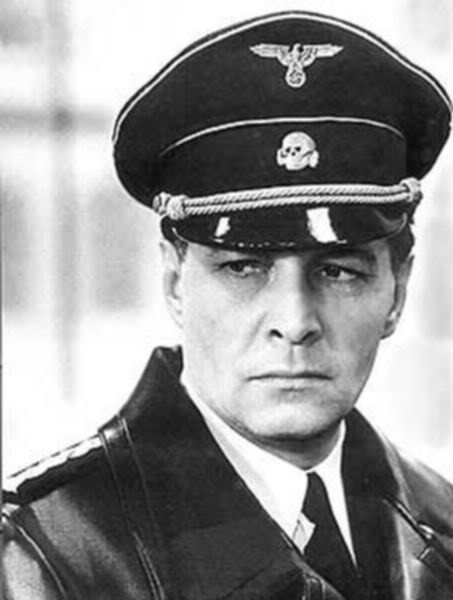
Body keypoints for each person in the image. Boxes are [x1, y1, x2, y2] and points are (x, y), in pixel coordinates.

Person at [3, 11, 453, 600]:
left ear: (397, 290)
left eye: (338, 271)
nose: (295, 323)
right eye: (244, 268)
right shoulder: (49, 552)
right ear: (174, 282)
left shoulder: (440, 521)